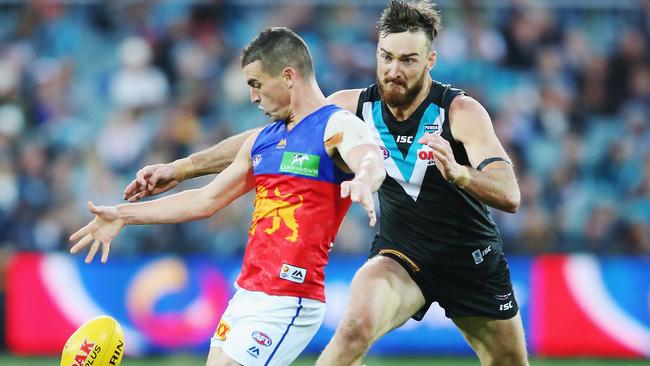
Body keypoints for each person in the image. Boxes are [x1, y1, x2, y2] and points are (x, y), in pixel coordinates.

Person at [123, 1, 528, 365]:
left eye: (407, 60)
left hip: (471, 260)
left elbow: (509, 194)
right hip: (403, 256)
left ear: (430, 60)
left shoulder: (459, 111)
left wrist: (460, 173)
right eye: (386, 57)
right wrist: (179, 169)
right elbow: (259, 142)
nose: (393, 70)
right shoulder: (349, 108)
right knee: (353, 330)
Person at [70, 27, 385, 366]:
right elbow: (204, 200)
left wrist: (365, 179)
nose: (253, 97)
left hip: (289, 298)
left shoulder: (335, 125)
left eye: (256, 84)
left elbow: (368, 155)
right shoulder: (262, 141)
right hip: (246, 294)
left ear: (288, 76)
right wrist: (123, 215)